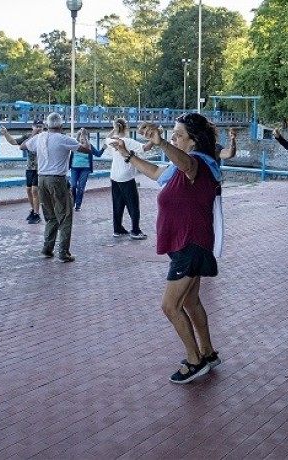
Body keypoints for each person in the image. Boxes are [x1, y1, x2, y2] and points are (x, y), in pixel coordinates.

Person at [112, 113, 222, 384]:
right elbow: (156, 173)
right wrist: (128, 155)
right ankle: (207, 353)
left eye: (178, 135)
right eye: (172, 134)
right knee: (191, 301)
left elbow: (186, 164)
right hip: (187, 244)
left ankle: (194, 360)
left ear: (193, 141)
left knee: (170, 306)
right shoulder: (179, 167)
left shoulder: (199, 164)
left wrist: (161, 143)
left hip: (190, 245)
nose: (173, 138)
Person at [22, 112, 92, 263]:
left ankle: (47, 248)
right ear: (61, 125)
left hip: (41, 179)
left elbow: (23, 146)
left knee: (50, 216)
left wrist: (34, 134)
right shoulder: (64, 139)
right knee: (65, 216)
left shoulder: (39, 138)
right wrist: (84, 135)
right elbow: (86, 149)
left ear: (46, 125)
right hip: (58, 180)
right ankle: (63, 252)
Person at [103, 118, 151, 239]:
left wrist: (114, 130)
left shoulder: (112, 140)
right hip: (126, 176)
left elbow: (105, 139)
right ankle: (135, 230)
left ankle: (117, 229)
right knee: (133, 204)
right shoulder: (128, 142)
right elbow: (145, 148)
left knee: (117, 203)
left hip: (114, 175)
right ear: (126, 127)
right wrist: (156, 139)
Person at [0, 120, 43, 223]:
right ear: (32, 127)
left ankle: (37, 214)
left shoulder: (44, 138)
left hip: (40, 168)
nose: (38, 128)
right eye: (36, 126)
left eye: (41, 126)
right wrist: (5, 132)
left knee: (35, 190)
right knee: (28, 190)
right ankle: (33, 210)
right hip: (30, 167)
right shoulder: (27, 137)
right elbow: (13, 142)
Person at [69, 129, 103, 212]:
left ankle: (78, 205)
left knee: (81, 187)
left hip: (85, 168)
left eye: (84, 136)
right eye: (81, 136)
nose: (82, 138)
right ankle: (73, 202)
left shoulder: (90, 146)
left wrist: (104, 148)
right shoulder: (75, 145)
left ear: (87, 137)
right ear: (78, 137)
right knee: (73, 185)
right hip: (74, 168)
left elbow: (98, 154)